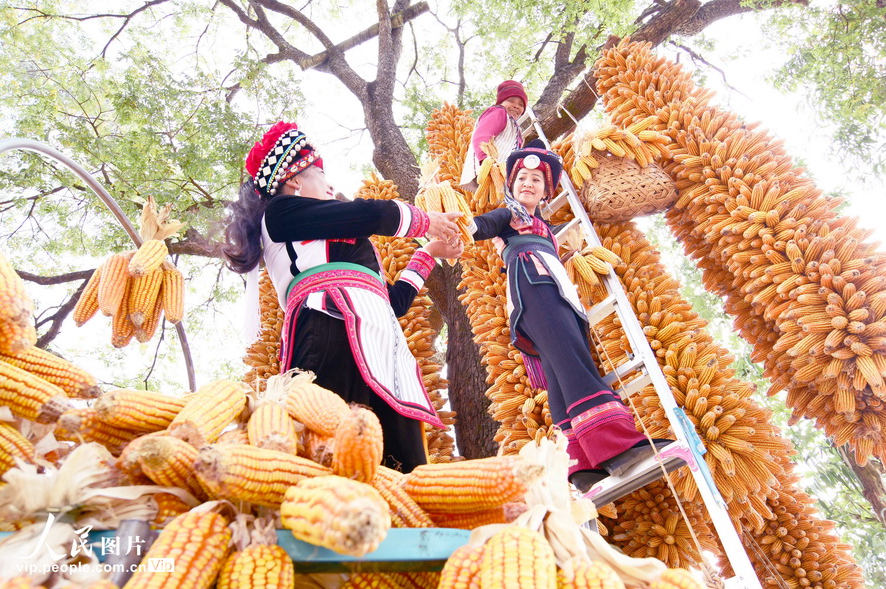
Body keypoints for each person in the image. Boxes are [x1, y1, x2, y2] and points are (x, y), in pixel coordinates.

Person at [223, 121, 464, 472]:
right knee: (331, 447)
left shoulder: (335, 237)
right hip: (327, 325)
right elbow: (369, 214)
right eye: (322, 175)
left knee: (399, 465)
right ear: (294, 180)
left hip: (383, 344)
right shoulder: (280, 213)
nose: (331, 186)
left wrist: (427, 252)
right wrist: (426, 221)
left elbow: (393, 303)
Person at [470, 140, 667, 491]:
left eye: (536, 180)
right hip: (535, 289)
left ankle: (581, 463)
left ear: (546, 192)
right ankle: (617, 447)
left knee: (560, 374)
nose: (528, 184)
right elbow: (479, 226)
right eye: (521, 179)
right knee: (573, 361)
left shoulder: (543, 225)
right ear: (511, 186)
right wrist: (452, 226)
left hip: (550, 290)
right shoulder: (509, 216)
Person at [459, 80, 528, 191]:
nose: (516, 106)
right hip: (487, 171)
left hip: (501, 178)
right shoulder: (498, 112)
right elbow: (482, 136)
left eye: (521, 104)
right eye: (511, 101)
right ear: (501, 102)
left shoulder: (515, 128)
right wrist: (486, 161)